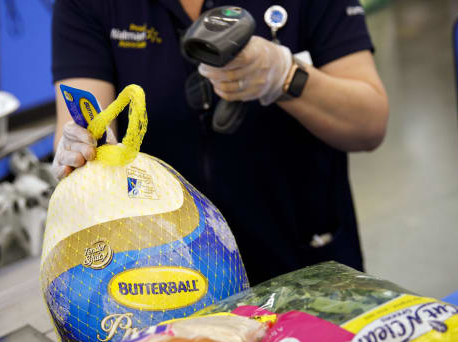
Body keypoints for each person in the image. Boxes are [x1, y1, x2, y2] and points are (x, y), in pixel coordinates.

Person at [51, 0, 389, 286]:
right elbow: (83, 121)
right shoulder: (88, 5)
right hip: (173, 279)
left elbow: (369, 123)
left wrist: (285, 75)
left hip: (310, 264)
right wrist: (82, 154)